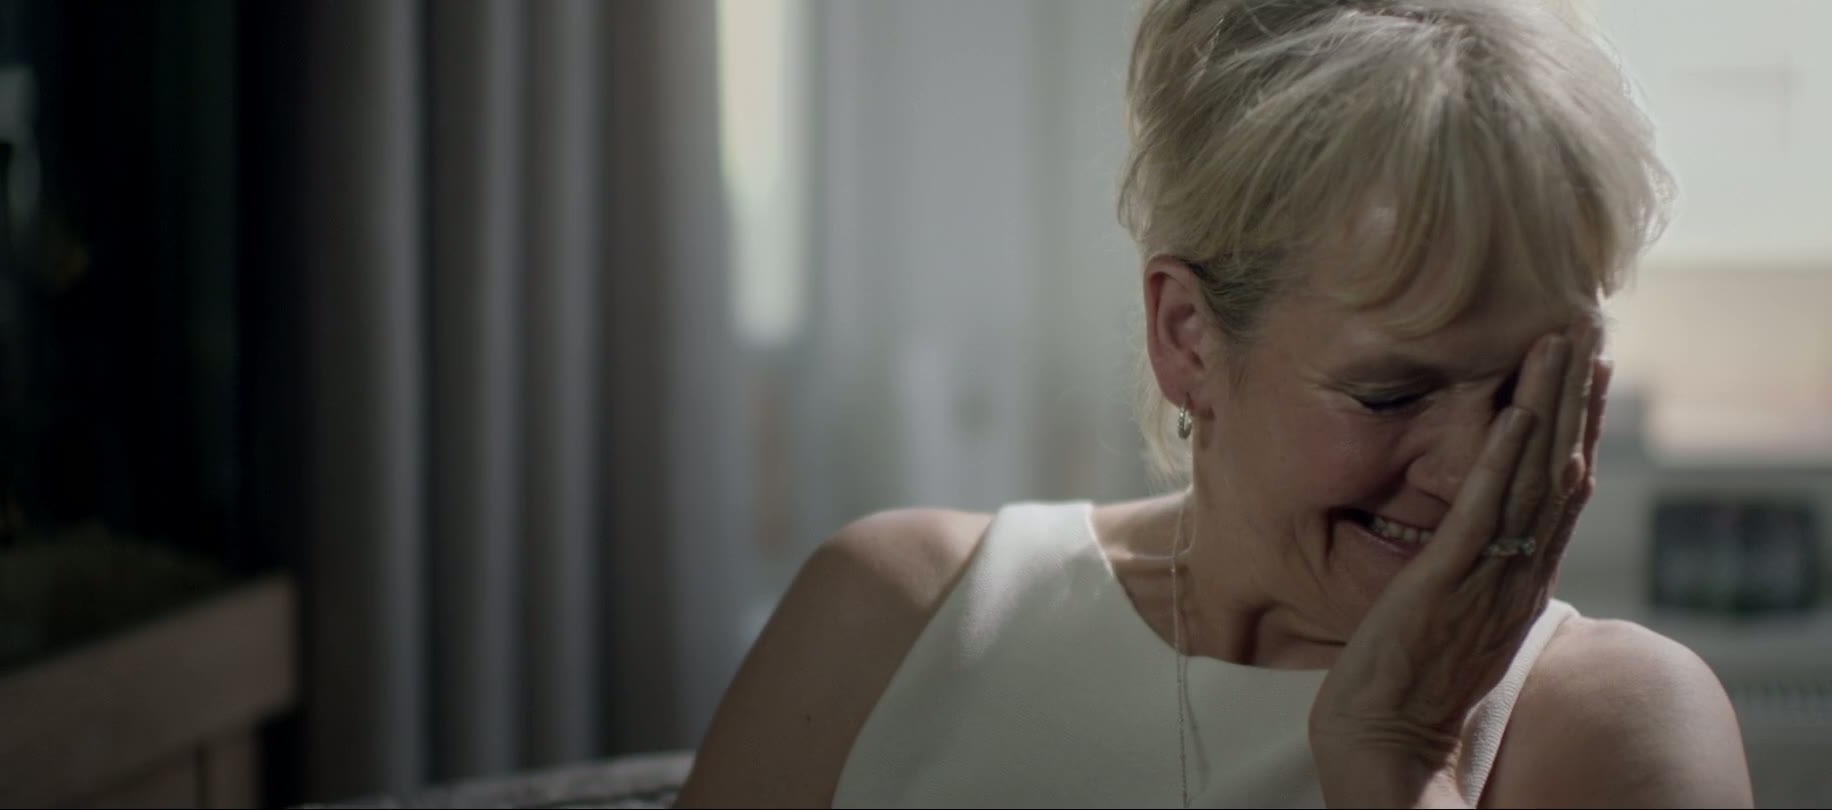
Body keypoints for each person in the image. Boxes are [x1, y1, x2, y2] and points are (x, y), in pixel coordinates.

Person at [675, 0, 1755, 807]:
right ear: (1187, 336)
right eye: (1392, 393)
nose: (1473, 468)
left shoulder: (1612, 724)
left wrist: (1397, 759)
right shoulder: (897, 618)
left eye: (1529, 388)